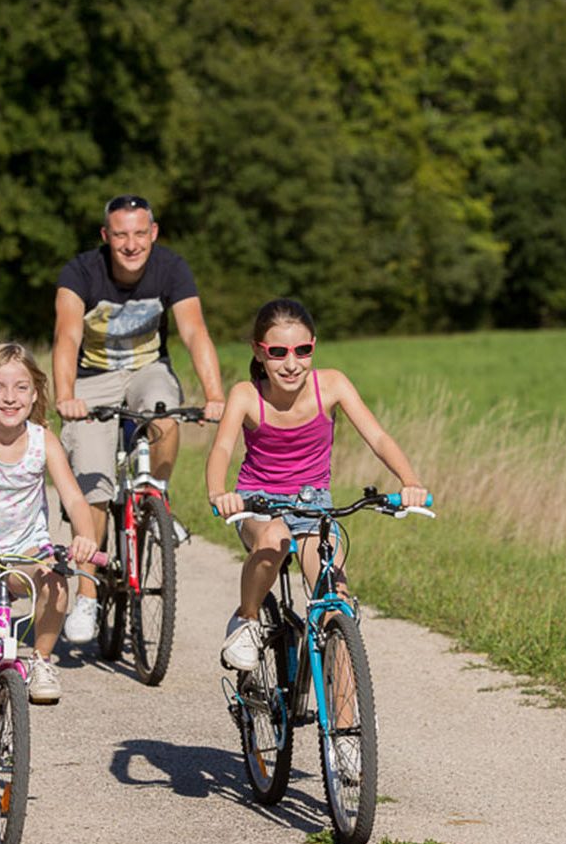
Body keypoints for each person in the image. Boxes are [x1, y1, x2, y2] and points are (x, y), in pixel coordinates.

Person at [206, 298, 429, 671]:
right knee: (275, 539)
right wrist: (219, 492)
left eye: (302, 351)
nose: (291, 364)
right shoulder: (246, 395)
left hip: (313, 505)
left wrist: (410, 481)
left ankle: (346, 710)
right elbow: (222, 448)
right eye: (278, 352)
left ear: (313, 347)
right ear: (259, 352)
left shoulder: (332, 384)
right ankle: (247, 618)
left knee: (335, 605)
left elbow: (377, 438)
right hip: (258, 503)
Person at [53, 194, 225, 643]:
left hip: (148, 370)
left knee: (164, 409)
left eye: (140, 233)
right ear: (105, 236)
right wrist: (66, 395)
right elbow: (67, 335)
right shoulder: (80, 272)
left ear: (154, 233)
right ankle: (87, 595)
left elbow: (194, 331)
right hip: (92, 378)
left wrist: (214, 396)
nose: (131, 244)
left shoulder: (171, 268)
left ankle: (156, 498)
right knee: (92, 482)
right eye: (120, 235)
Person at [0, 343, 98, 703]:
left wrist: (85, 536)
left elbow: (74, 499)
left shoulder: (42, 441)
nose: (9, 397)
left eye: (21, 387)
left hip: (25, 553)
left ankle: (41, 660)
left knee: (56, 580)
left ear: (34, 394)